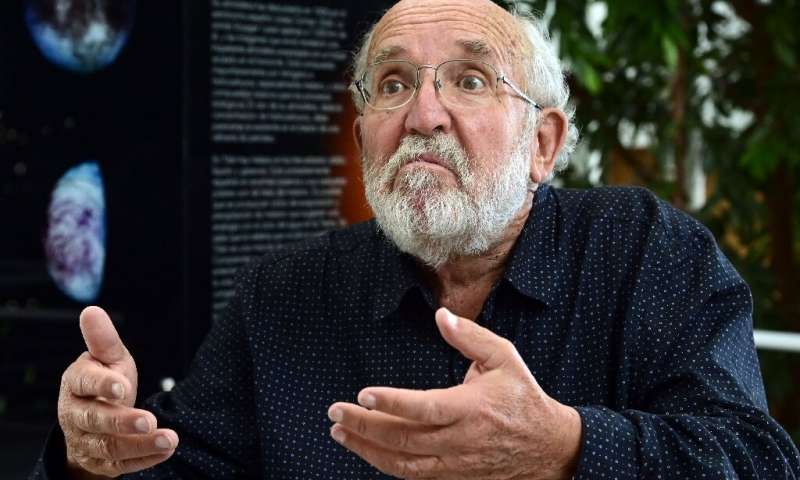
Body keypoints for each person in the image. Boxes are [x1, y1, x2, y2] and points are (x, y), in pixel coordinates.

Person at [31, 0, 800, 478]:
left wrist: (566, 447)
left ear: (543, 143)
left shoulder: (645, 252)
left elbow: (756, 459)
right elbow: (189, 465)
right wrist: (92, 458)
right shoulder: (284, 293)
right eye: (394, 84)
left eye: (469, 80)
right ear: (363, 138)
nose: (423, 115)